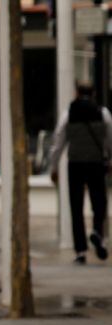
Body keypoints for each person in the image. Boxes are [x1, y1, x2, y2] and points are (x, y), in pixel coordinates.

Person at [49, 82, 111, 264]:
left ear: (76, 93)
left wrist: (54, 167)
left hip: (75, 163)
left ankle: (80, 251)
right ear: (93, 94)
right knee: (99, 201)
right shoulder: (103, 113)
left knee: (76, 206)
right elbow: (110, 138)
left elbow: (58, 141)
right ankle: (97, 232)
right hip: (95, 162)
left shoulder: (69, 113)